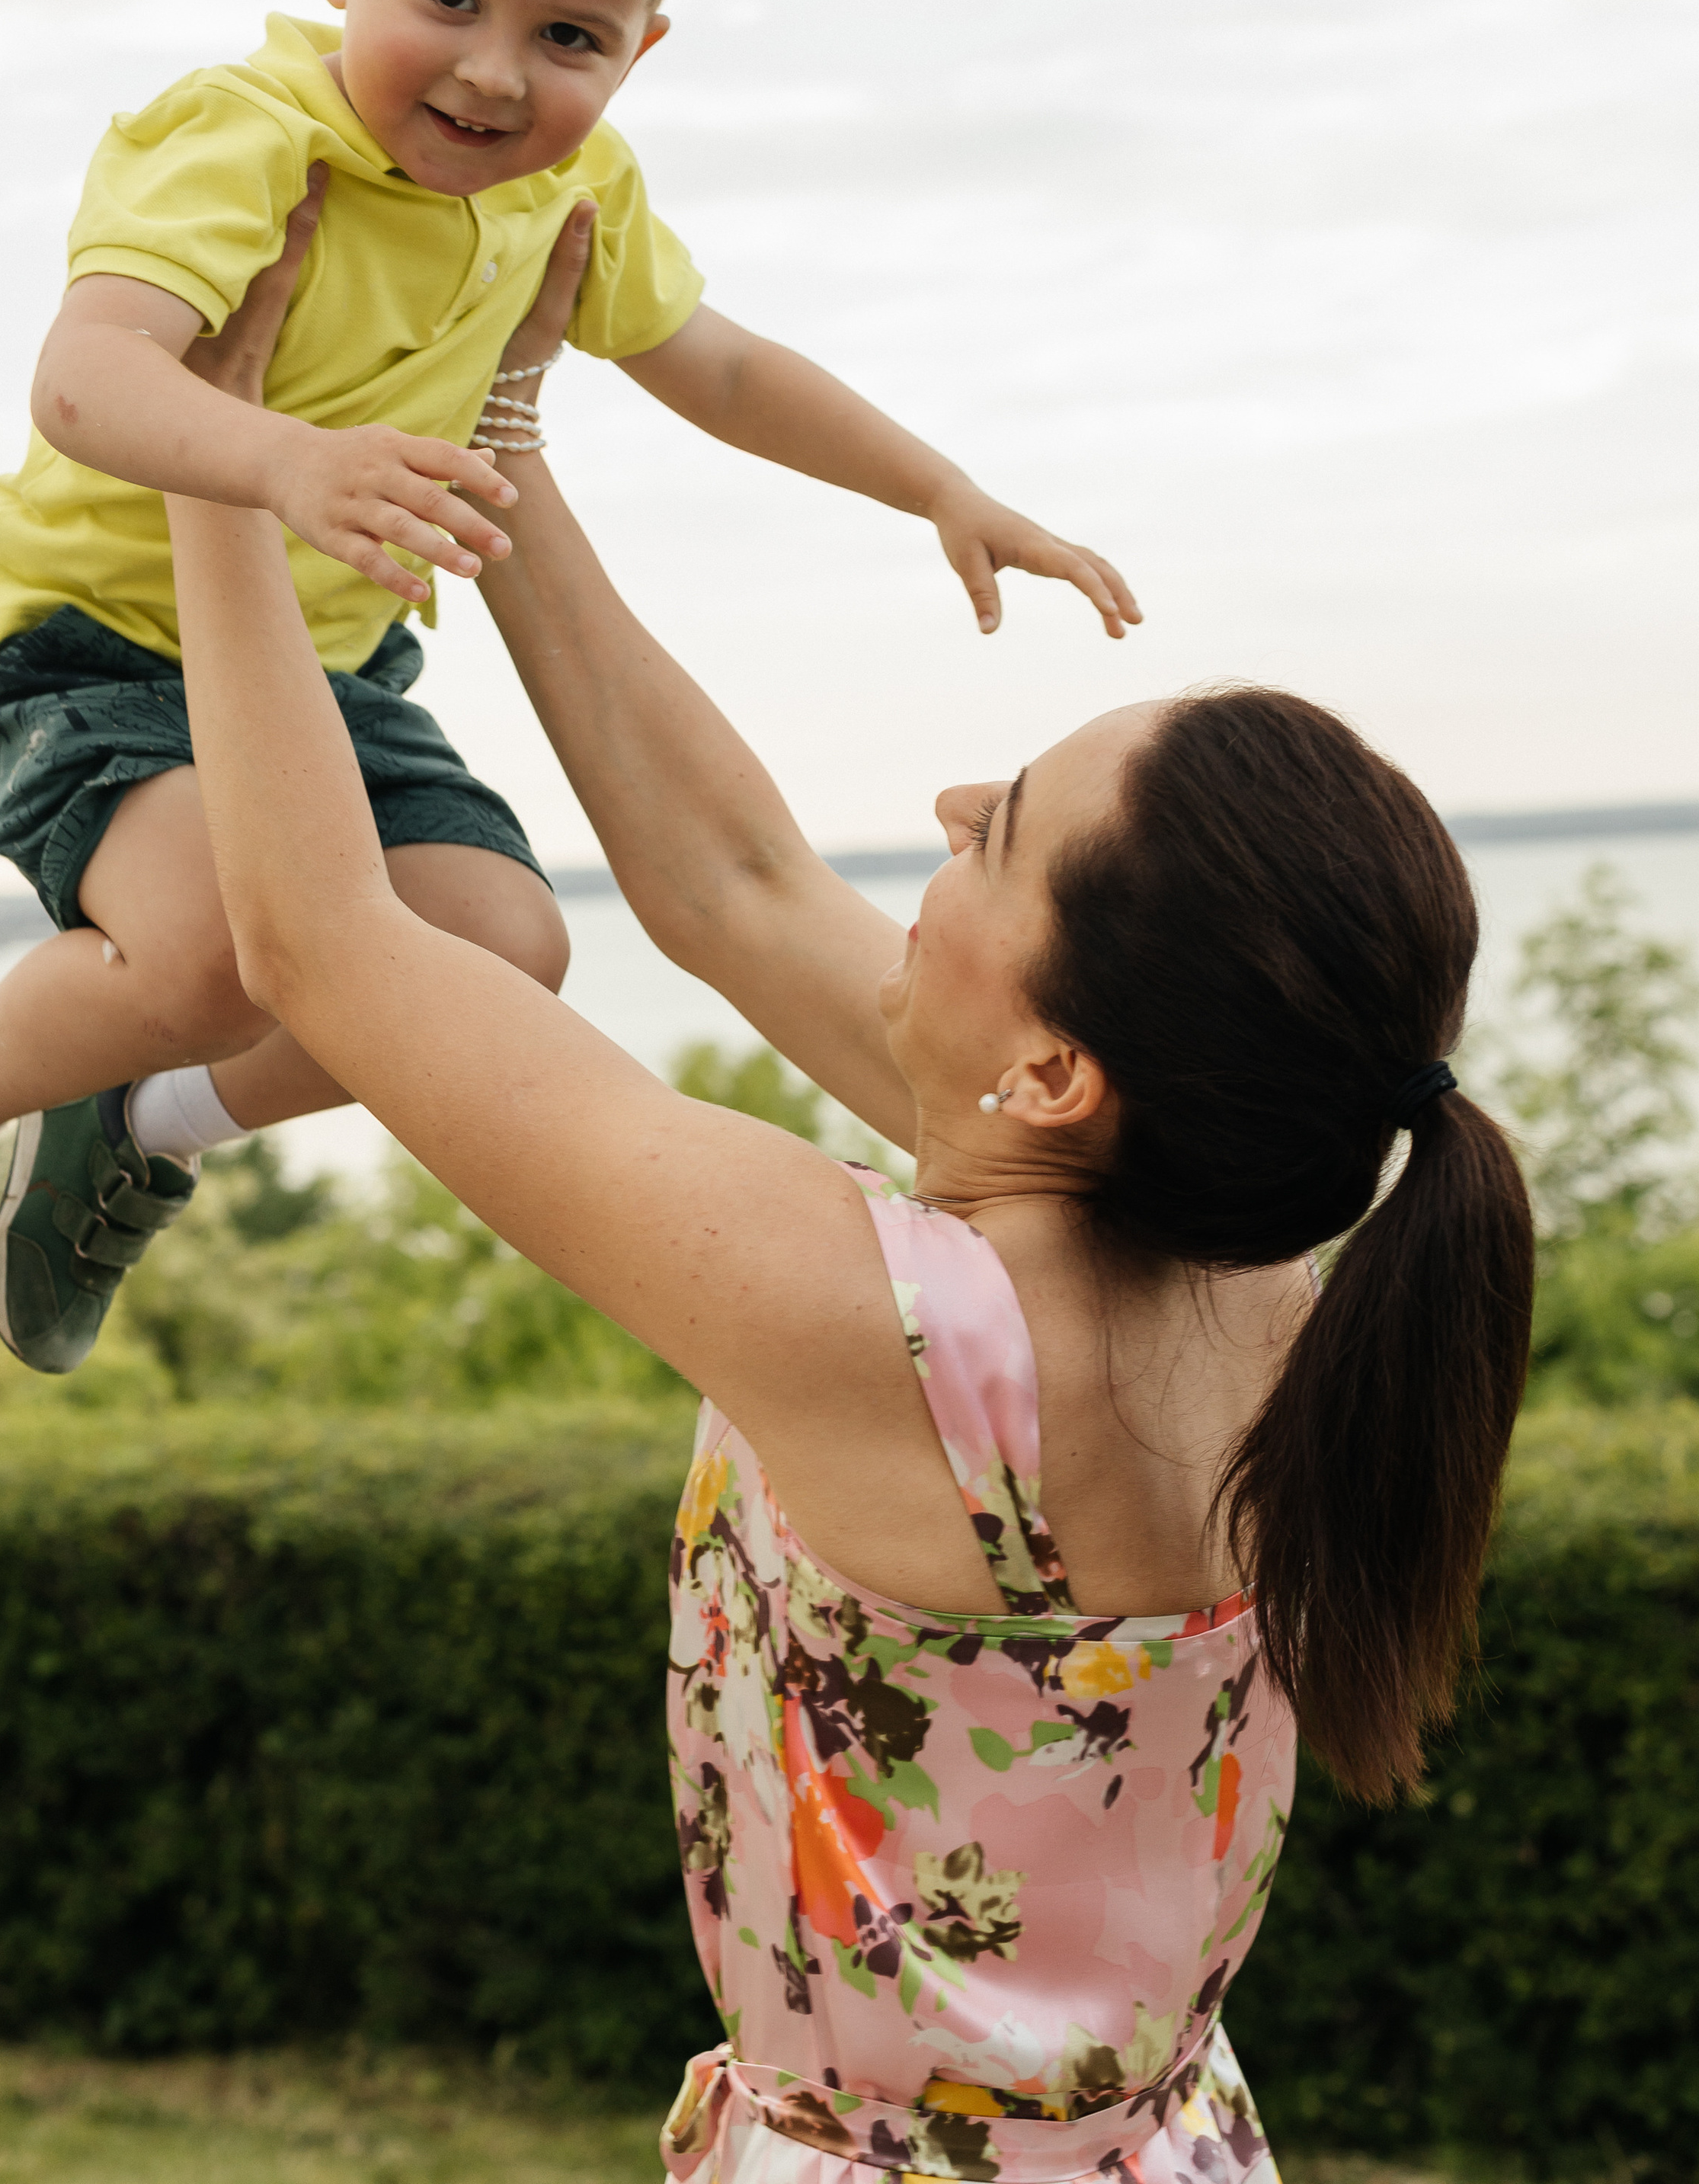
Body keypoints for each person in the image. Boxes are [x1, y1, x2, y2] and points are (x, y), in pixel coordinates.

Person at [168, 222, 1533, 2179]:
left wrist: (218, 460)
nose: (957, 803)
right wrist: (502, 434)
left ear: (1055, 1072)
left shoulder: (891, 1335)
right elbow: (727, 884)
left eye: (1011, 831)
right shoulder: (1266, 1271)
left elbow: (324, 946)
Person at [0, 0, 1135, 1398]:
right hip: (85, 645)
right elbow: (86, 382)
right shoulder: (243, 138)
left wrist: (939, 491)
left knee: (497, 957)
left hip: (332, 667)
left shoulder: (568, 196)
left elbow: (720, 363)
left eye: (569, 39)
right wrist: (280, 462)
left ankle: (131, 1127)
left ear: (640, 46)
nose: (491, 73)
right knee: (221, 946)